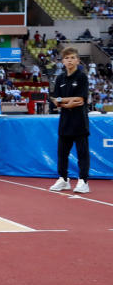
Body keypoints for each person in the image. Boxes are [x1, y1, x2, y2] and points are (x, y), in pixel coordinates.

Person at [49, 47, 92, 193]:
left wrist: (63, 102)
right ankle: (63, 179)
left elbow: (80, 99)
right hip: (65, 122)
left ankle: (83, 181)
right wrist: (68, 102)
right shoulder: (60, 78)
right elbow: (55, 100)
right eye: (67, 58)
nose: (70, 60)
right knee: (62, 153)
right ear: (63, 61)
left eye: (73, 58)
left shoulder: (82, 77)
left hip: (80, 122)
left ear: (78, 60)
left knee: (82, 153)